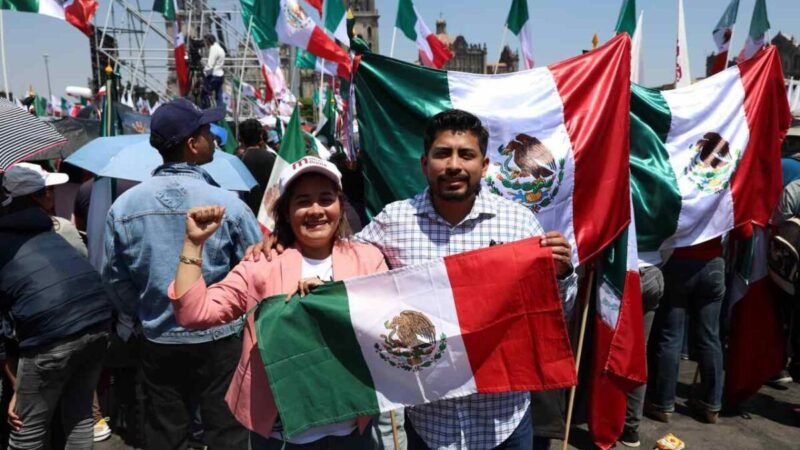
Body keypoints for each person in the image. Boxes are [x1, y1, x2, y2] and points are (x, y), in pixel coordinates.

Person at [253, 109, 577, 449]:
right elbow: (342, 261)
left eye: (466, 154)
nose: (454, 165)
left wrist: (562, 273)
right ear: (425, 164)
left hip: (504, 421)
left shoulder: (518, 223)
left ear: (484, 166)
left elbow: (556, 310)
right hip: (429, 426)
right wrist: (285, 242)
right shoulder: (394, 222)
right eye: (442, 154)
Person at [169, 156, 387, 449]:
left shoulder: (368, 259)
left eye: (326, 199)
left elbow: (385, 324)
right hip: (280, 434)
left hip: (352, 427)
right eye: (303, 201)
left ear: (340, 205)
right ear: (286, 211)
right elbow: (194, 313)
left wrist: (332, 297)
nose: (316, 211)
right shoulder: (262, 263)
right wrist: (193, 244)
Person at [102, 99, 262, 449]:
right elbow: (257, 270)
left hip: (158, 337)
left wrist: (146, 310)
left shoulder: (124, 207)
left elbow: (114, 277)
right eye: (206, 133)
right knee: (227, 433)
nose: (213, 140)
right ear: (192, 144)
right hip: (220, 339)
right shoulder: (229, 204)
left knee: (165, 435)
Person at [0, 163, 112, 448]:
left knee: (27, 428)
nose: (53, 196)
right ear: (38, 198)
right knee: (79, 416)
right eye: (47, 191)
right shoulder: (54, 231)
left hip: (52, 334)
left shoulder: (11, 241)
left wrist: (16, 385)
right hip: (98, 321)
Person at [647, 237, 725, 425]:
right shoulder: (723, 204)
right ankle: (711, 404)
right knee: (710, 337)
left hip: (679, 260)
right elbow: (744, 232)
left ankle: (663, 404)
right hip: (713, 262)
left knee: (671, 335)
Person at [239, 118, 276, 214]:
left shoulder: (237, 160)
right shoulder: (272, 158)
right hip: (268, 215)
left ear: (241, 138)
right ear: (261, 136)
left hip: (246, 213)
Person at [203, 34, 226, 109]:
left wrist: (204, 71)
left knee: (205, 92)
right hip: (221, 75)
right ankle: (220, 110)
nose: (205, 44)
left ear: (208, 41)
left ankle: (205, 110)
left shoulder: (213, 49)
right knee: (219, 95)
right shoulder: (220, 48)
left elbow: (210, 65)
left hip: (214, 75)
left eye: (205, 42)